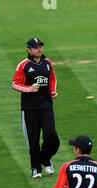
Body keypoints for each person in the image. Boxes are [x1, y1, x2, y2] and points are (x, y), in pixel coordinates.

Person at [12, 37, 60, 178]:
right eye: (36, 47)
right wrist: (29, 89)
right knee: (33, 141)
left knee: (51, 136)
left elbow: (52, 78)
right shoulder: (23, 65)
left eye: (40, 46)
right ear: (29, 49)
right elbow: (14, 84)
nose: (39, 49)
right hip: (29, 109)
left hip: (46, 106)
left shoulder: (47, 63)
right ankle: (35, 168)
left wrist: (53, 91)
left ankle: (45, 158)